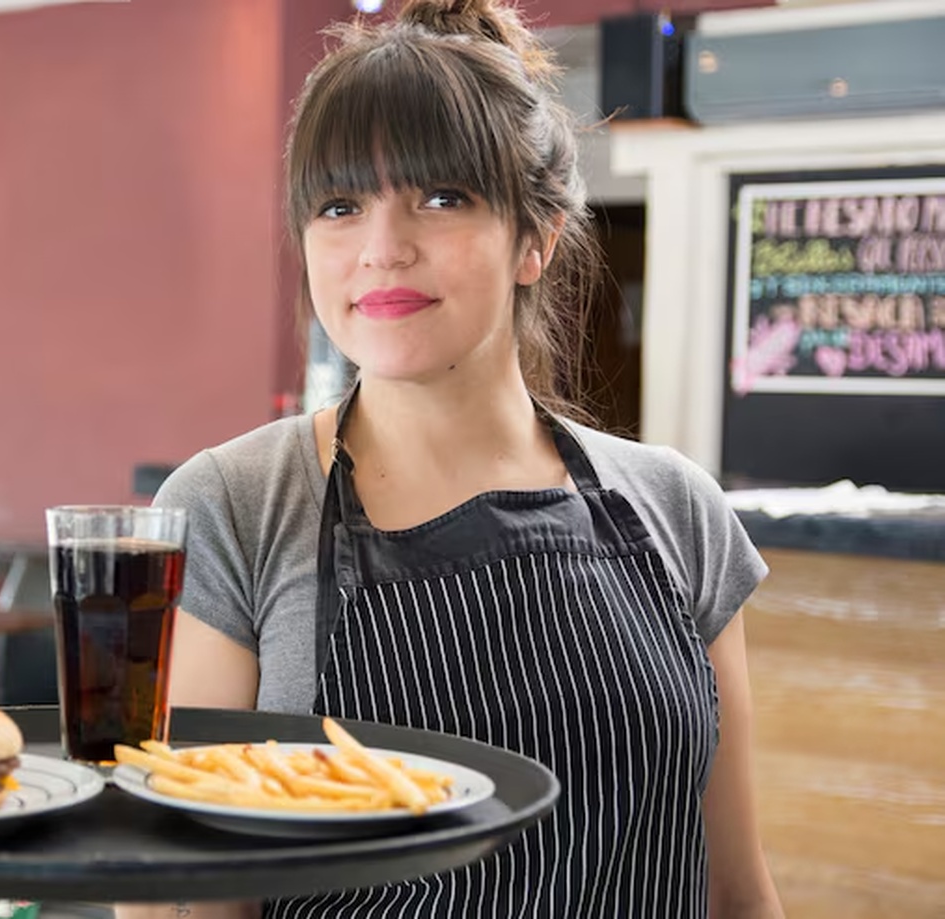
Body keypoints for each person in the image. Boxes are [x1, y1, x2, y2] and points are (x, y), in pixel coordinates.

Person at [126, 0, 786, 916]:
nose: (381, 249)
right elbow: (181, 897)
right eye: (340, 206)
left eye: (441, 198)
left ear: (536, 238)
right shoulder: (237, 505)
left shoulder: (676, 509)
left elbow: (734, 888)